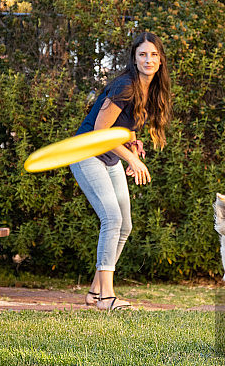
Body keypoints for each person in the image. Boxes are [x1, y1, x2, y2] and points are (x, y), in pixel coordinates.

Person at [70, 32, 172, 311]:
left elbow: (122, 125)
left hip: (109, 158)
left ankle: (94, 291)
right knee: (112, 219)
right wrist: (133, 160)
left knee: (124, 224)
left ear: (160, 60)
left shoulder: (150, 89)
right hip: (86, 153)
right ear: (134, 58)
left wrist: (132, 142)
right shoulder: (125, 85)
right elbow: (100, 131)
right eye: (142, 54)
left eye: (153, 55)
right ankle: (107, 296)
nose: (148, 59)